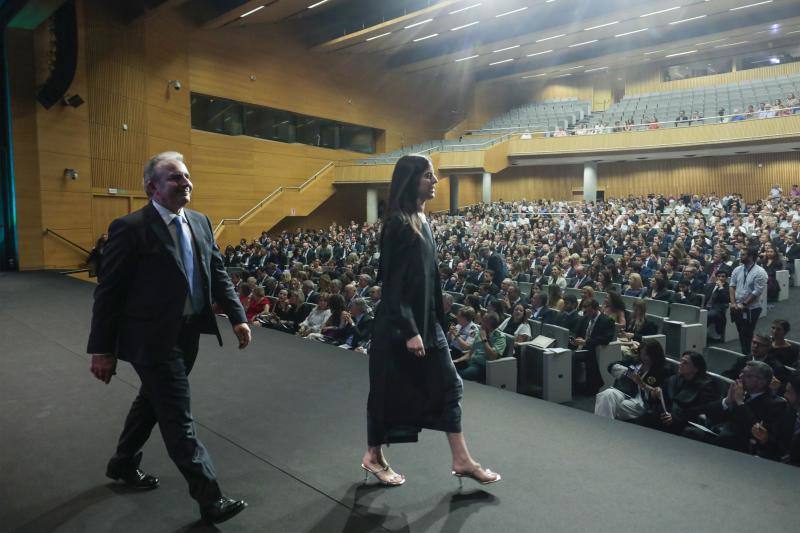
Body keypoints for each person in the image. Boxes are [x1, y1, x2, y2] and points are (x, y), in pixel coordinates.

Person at [87, 151, 251, 524]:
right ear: (152, 187)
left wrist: (237, 317)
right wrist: (101, 348)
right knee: (177, 415)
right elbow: (108, 293)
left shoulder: (200, 221)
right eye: (175, 178)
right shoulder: (130, 228)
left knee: (151, 401)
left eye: (187, 176)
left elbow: (217, 272)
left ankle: (123, 463)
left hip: (189, 333)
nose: (186, 183)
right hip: (150, 339)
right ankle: (210, 498)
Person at [363, 154, 500, 487]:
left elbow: (429, 279)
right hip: (401, 326)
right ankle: (373, 455)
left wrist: (439, 320)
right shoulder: (397, 222)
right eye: (428, 176)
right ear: (411, 181)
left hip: (427, 324)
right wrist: (411, 330)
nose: (435, 181)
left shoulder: (421, 218)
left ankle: (461, 459)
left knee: (450, 385)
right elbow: (392, 283)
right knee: (387, 392)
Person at [633, 351, 719, 435]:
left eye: (685, 363)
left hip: (686, 420)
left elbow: (700, 409)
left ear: (695, 369)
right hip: (667, 416)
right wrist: (655, 394)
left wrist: (676, 417)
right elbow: (662, 395)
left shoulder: (706, 386)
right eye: (681, 361)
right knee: (645, 417)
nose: (680, 364)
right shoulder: (675, 379)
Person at [594, 339, 669, 420]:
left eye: (646, 355)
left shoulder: (663, 370)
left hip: (641, 401)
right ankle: (602, 428)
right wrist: (627, 372)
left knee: (609, 405)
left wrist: (641, 383)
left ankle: (602, 428)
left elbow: (660, 393)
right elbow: (611, 367)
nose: (643, 357)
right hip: (624, 391)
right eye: (641, 354)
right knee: (606, 394)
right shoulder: (636, 361)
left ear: (655, 355)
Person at [570, 298, 616, 394]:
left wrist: (586, 342)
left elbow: (606, 339)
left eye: (589, 311)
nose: (587, 313)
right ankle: (571, 384)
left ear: (596, 309)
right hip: (581, 346)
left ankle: (575, 386)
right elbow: (575, 332)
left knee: (572, 357)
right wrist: (574, 340)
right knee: (563, 354)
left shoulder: (607, 321)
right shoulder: (585, 318)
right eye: (585, 311)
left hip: (593, 349)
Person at [729, 247, 768, 355]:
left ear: (751, 257)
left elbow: (757, 292)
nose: (740, 257)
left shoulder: (760, 272)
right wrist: (733, 303)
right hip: (736, 306)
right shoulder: (737, 269)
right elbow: (732, 286)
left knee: (747, 332)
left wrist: (744, 304)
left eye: (743, 255)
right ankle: (745, 353)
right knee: (740, 332)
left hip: (752, 308)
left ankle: (750, 354)